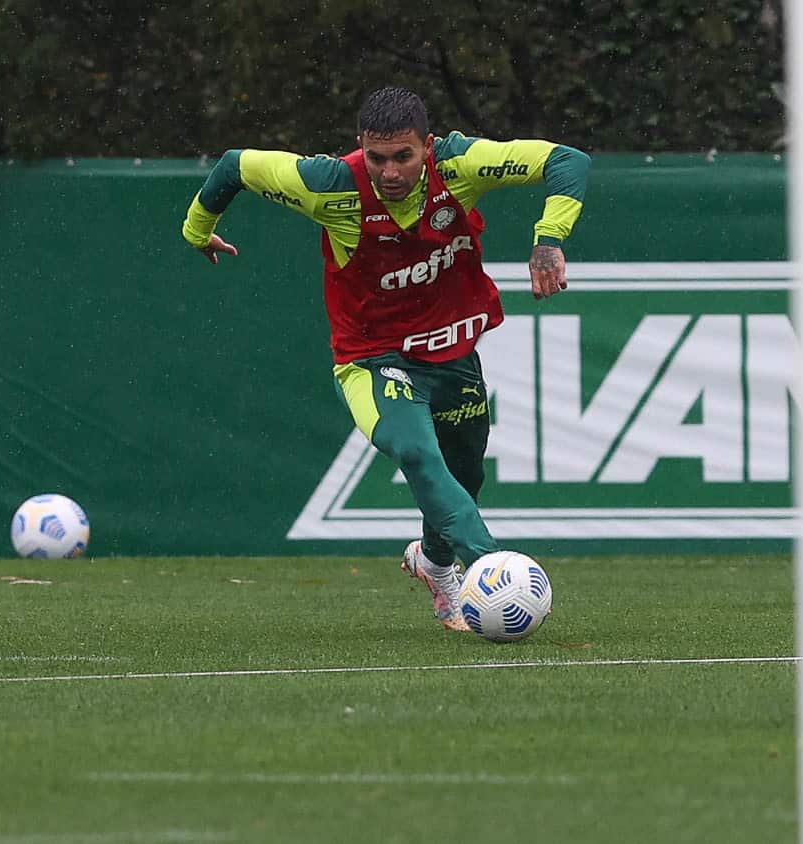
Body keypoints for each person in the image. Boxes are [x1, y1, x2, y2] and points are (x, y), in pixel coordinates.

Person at [180, 86, 589, 632]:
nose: (390, 171)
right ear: (360, 148)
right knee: (418, 455)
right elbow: (236, 166)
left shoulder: (462, 166)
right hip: (372, 358)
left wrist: (548, 240)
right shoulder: (329, 185)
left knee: (463, 476)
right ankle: (489, 567)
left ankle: (434, 562)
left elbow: (567, 161)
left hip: (452, 352)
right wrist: (196, 229)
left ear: (429, 147)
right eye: (377, 158)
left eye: (404, 156)